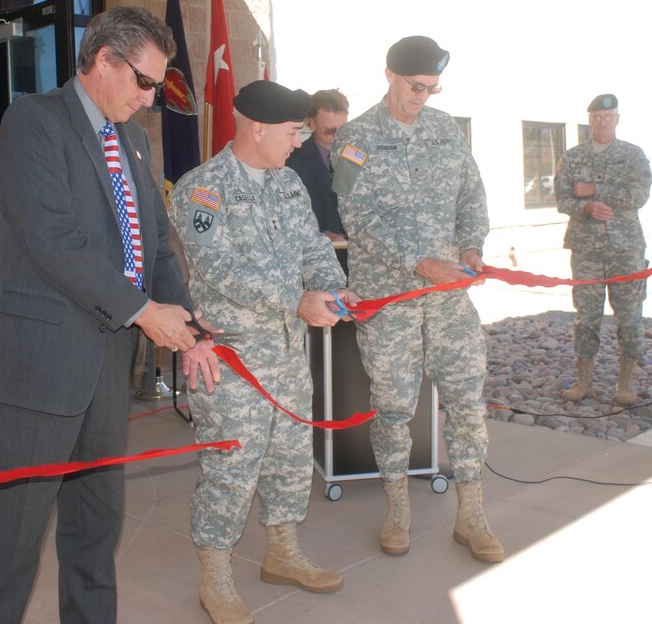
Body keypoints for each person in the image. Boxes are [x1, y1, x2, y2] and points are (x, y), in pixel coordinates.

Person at [0, 6, 219, 624]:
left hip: (105, 366)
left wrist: (185, 324)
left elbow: (152, 246)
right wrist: (142, 312)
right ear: (102, 59)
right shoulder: (33, 122)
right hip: (38, 367)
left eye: (158, 86)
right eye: (143, 81)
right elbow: (53, 241)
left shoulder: (131, 137)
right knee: (11, 543)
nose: (151, 98)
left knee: (95, 531)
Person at [171, 80, 357, 624]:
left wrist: (333, 286)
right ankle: (217, 578)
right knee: (230, 470)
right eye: (293, 130)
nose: (299, 141)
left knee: (290, 462)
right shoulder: (202, 189)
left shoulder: (289, 184)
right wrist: (297, 299)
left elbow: (313, 247)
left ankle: (282, 553)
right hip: (232, 363)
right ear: (257, 128)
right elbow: (220, 270)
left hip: (288, 356)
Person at [331, 35, 503, 563]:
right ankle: (398, 508)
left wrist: (473, 243)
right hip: (391, 300)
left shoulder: (446, 129)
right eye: (415, 86)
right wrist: (418, 260)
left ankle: (471, 514)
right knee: (393, 407)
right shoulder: (354, 139)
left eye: (431, 88)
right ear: (389, 75)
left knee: (469, 402)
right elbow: (356, 217)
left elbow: (472, 193)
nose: (422, 97)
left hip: (449, 299)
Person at [555, 94, 652, 405]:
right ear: (590, 120)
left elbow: (639, 195)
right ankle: (584, 381)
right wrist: (586, 208)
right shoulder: (572, 158)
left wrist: (597, 190)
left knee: (629, 317)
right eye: (596, 117)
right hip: (586, 250)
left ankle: (626, 385)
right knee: (586, 317)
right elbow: (562, 200)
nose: (601, 122)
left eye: (607, 116)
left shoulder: (633, 155)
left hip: (625, 250)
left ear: (617, 119)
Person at [286, 89, 349, 242]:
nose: (339, 136)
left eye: (344, 129)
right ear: (311, 123)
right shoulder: (292, 162)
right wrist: (323, 234)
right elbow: (289, 215)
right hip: (318, 252)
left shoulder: (359, 156)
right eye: (330, 130)